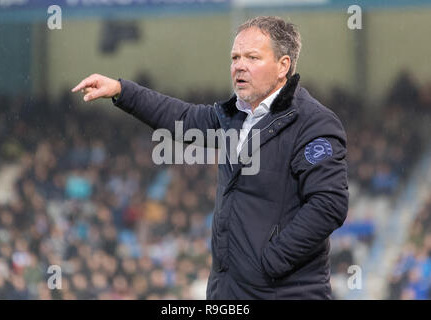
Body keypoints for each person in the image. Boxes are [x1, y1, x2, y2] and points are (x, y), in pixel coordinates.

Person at [72, 16, 349, 299]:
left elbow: (329, 204)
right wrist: (122, 91)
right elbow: (182, 117)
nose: (239, 65)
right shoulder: (236, 116)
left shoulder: (314, 123)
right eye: (235, 57)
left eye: (252, 57)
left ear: (283, 66)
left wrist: (270, 261)